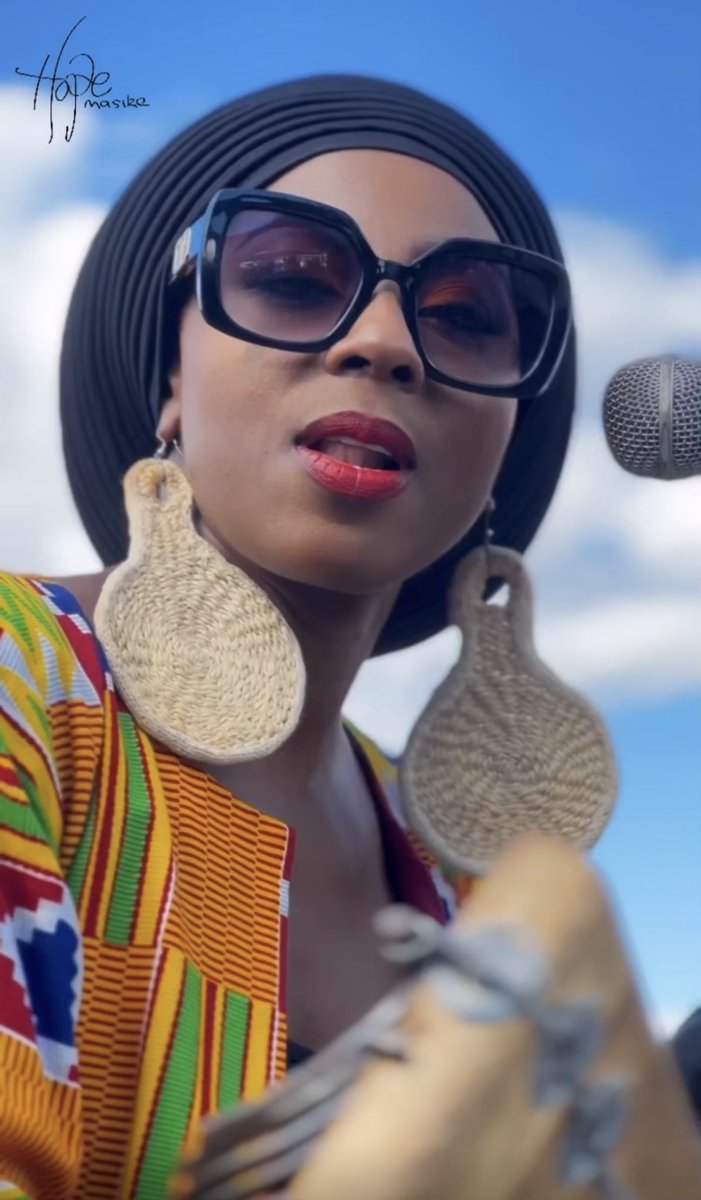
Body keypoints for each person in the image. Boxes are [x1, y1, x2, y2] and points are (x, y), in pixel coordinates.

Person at [0, 72, 582, 1199]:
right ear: (169, 376)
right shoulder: (24, 687)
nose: (384, 342)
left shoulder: (473, 893)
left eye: (464, 315)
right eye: (291, 279)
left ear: (505, 445)